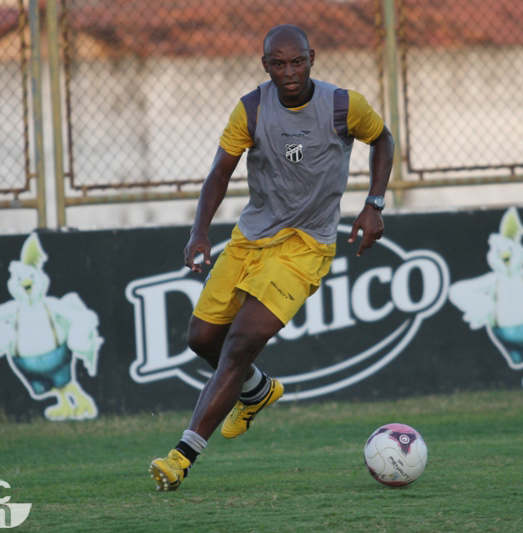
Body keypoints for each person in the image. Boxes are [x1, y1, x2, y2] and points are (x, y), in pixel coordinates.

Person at [149, 24, 394, 491]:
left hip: (305, 247)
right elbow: (219, 172)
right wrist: (200, 232)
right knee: (202, 339)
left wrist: (374, 203)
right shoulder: (252, 108)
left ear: (312, 58)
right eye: (278, 64)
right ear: (265, 65)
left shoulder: (344, 106)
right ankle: (258, 391)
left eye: (297, 61)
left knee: (240, 343)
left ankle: (181, 457)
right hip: (251, 238)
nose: (289, 72)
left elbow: (384, 140)